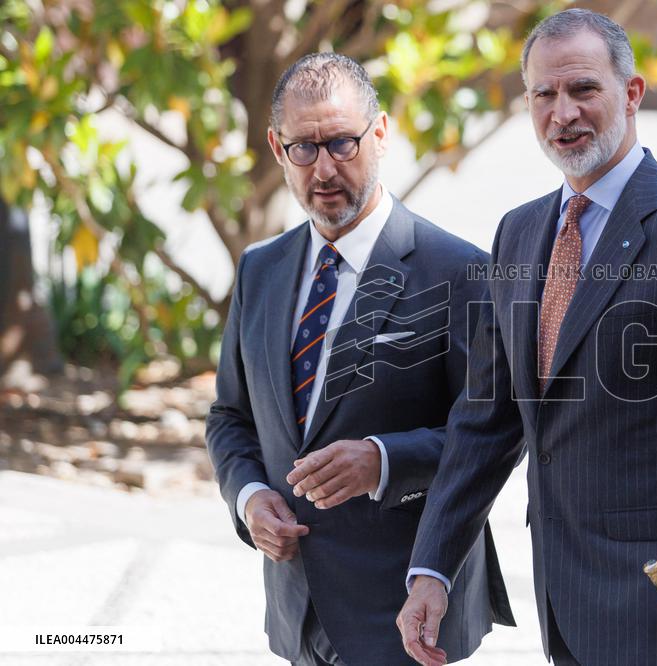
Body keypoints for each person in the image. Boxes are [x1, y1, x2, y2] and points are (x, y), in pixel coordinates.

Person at [397, 9, 657, 666]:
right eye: (544, 95)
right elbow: (487, 421)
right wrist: (432, 566)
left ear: (631, 94)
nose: (563, 113)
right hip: (563, 603)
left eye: (583, 90)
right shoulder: (518, 234)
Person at [206, 52, 513, 666]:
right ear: (276, 147)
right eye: (303, 147)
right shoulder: (259, 270)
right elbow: (230, 417)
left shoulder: (461, 272)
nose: (324, 167)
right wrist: (247, 497)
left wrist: (383, 460)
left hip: (409, 609)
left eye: (342, 143)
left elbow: (496, 433)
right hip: (297, 610)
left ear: (379, 134)